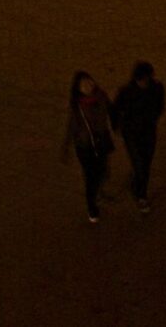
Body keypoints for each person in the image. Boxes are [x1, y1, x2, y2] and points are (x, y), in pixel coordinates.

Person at [112, 60, 165, 211]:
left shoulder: (157, 89)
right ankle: (141, 196)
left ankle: (139, 187)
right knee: (139, 165)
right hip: (132, 134)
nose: (142, 82)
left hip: (148, 132)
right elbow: (115, 109)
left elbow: (160, 107)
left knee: (146, 164)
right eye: (140, 79)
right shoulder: (126, 91)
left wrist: (150, 118)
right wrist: (118, 127)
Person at [64, 71, 116, 223]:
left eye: (89, 81)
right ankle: (91, 207)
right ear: (78, 88)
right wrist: (66, 147)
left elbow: (112, 111)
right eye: (83, 84)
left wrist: (117, 124)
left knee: (103, 171)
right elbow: (71, 127)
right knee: (90, 177)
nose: (88, 85)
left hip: (101, 143)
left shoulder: (101, 96)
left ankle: (98, 191)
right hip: (85, 147)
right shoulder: (77, 105)